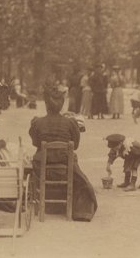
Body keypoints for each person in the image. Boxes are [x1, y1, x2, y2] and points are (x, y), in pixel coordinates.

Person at [29, 84, 97, 221]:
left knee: (32, 166)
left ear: (47, 106)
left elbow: (35, 143)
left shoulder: (38, 123)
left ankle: (43, 201)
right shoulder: (70, 123)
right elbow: (75, 145)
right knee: (82, 180)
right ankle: (80, 211)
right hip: (66, 166)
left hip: (43, 166)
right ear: (62, 106)